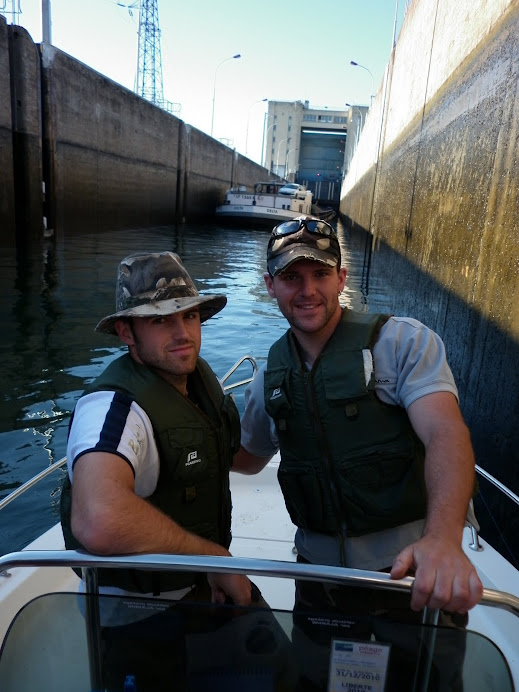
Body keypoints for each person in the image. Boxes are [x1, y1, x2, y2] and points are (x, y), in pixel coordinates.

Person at [233, 217, 484, 688]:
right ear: (270, 286)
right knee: (317, 682)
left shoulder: (404, 342)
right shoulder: (269, 375)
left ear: (342, 278)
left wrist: (443, 541)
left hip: (411, 578)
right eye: (290, 277)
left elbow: (446, 435)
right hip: (320, 586)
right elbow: (245, 458)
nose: (307, 290)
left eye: (320, 274)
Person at [60, 250, 256, 690]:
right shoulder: (112, 408)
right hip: (139, 621)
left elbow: (229, 455)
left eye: (189, 316)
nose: (182, 332)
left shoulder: (193, 382)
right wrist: (215, 559)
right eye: (160, 320)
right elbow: (98, 518)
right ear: (126, 331)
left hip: (198, 592)